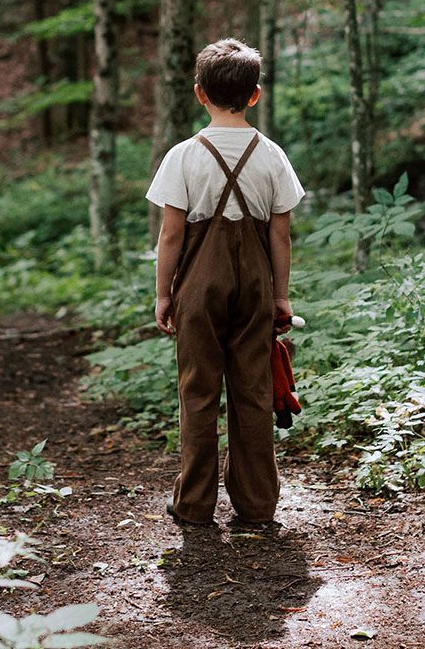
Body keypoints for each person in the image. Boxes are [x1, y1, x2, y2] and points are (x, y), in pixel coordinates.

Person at [146, 37, 305, 525]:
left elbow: (171, 235)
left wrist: (163, 295)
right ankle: (257, 503)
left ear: (200, 93)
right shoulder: (271, 154)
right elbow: (281, 234)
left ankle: (194, 504)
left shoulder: (183, 156)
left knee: (197, 391)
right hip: (256, 282)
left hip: (199, 283)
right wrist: (280, 296)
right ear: (254, 95)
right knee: (253, 391)